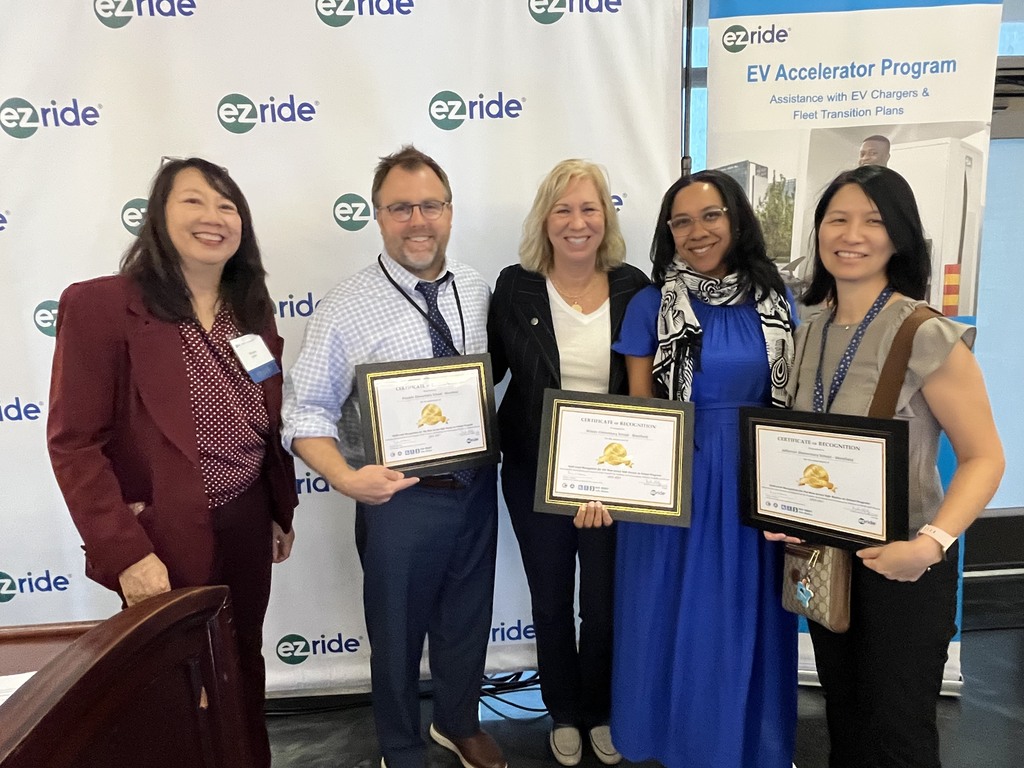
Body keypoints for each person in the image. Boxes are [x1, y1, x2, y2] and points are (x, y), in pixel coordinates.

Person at [46, 157, 299, 768]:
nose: (214, 217)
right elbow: (74, 443)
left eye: (227, 206)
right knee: (175, 682)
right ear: (158, 216)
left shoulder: (251, 310)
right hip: (162, 530)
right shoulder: (103, 306)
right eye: (193, 201)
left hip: (246, 516)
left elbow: (264, 423)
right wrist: (126, 553)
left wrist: (278, 507)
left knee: (242, 661)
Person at [771, 164, 1004, 767]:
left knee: (898, 737)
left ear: (898, 237)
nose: (851, 235)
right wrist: (785, 512)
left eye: (872, 221)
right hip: (827, 562)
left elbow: (984, 457)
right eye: (837, 219)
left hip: (903, 566)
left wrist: (929, 546)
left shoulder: (926, 334)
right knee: (846, 724)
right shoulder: (810, 330)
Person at [281, 146, 505, 768]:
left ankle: (458, 722)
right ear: (376, 215)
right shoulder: (345, 306)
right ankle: (401, 745)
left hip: (475, 489)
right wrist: (346, 477)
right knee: (397, 631)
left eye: (431, 205)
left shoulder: (477, 289)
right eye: (400, 208)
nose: (418, 221)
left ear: (450, 212)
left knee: (467, 619)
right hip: (398, 498)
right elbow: (304, 411)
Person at [576, 170, 799, 767]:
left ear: (737, 218)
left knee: (740, 618)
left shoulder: (777, 301)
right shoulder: (651, 304)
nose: (696, 231)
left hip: (752, 487)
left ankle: (742, 744)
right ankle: (671, 742)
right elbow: (643, 412)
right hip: (674, 486)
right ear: (668, 232)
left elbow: (795, 400)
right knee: (667, 615)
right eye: (681, 221)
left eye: (711, 215)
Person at [488, 160, 648, 766]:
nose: (577, 222)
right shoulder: (516, 286)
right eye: (563, 209)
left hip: (614, 476)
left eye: (589, 208)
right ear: (545, 219)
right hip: (535, 473)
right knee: (551, 602)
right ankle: (562, 711)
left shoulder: (634, 286)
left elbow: (648, 387)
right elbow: (487, 373)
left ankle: (600, 709)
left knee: (603, 606)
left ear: (606, 216)